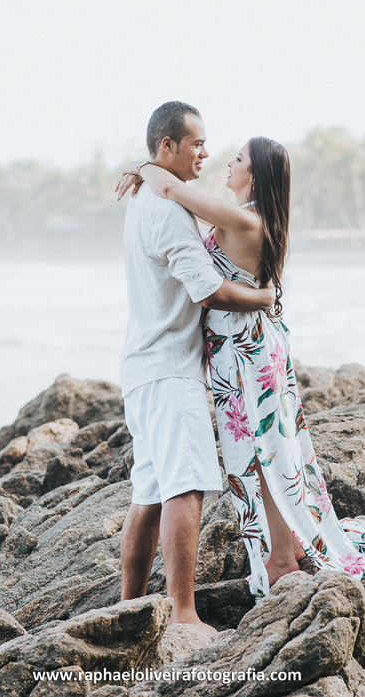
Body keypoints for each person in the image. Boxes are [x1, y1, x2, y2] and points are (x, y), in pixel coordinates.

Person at [117, 135, 365, 599]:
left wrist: (146, 170)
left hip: (244, 351)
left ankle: (283, 557)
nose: (227, 161)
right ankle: (290, 545)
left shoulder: (245, 218)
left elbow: (175, 193)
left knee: (266, 453)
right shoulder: (257, 217)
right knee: (273, 448)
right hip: (244, 347)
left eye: (239, 158)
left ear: (256, 174)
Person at [117, 101, 276, 631]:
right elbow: (207, 291)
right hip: (170, 372)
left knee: (149, 490)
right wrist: (262, 299)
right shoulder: (168, 209)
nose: (206, 153)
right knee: (183, 487)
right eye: (197, 144)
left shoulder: (143, 196)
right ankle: (183, 613)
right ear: (169, 147)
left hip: (141, 368)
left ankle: (130, 605)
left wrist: (145, 170)